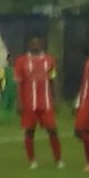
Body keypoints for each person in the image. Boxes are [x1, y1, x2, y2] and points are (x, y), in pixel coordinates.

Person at [13, 34, 62, 168]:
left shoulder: (49, 60)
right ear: (29, 45)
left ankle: (58, 159)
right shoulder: (22, 61)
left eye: (37, 43)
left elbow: (53, 80)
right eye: (32, 43)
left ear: (42, 44)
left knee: (52, 130)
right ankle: (32, 160)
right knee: (29, 131)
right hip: (29, 103)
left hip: (46, 102)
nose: (35, 45)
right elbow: (18, 82)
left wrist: (56, 98)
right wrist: (19, 101)